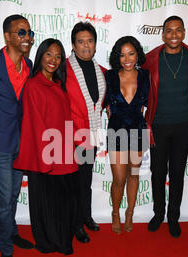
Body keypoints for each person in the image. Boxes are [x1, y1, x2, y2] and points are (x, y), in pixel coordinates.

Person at [13, 38, 79, 255]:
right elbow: (36, 124)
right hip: (46, 156)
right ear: (40, 56)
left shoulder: (59, 84)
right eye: (49, 54)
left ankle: (62, 240)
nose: (54, 60)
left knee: (64, 201)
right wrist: (47, 159)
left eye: (58, 56)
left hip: (63, 152)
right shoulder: (33, 85)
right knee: (47, 203)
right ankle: (49, 242)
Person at [143, 16, 188, 238]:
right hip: (158, 125)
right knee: (158, 173)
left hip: (185, 125)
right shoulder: (151, 60)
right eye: (169, 30)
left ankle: (173, 217)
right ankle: (158, 214)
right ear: (163, 34)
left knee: (177, 174)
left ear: (184, 33)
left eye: (178, 30)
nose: (173, 35)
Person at [0, 14, 34, 257]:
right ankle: (6, 252)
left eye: (29, 33)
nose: (27, 37)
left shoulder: (28, 64)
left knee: (14, 194)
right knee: (4, 200)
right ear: (7, 36)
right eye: (21, 32)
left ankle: (12, 232)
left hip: (21, 142)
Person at [103, 36, 149, 234]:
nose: (127, 59)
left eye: (131, 53)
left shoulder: (146, 76)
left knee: (134, 175)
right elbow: (100, 98)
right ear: (117, 57)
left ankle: (130, 213)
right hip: (116, 131)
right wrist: (107, 106)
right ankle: (115, 212)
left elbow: (152, 102)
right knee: (119, 178)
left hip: (138, 130)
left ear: (137, 54)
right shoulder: (110, 76)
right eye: (122, 55)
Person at [66, 22, 106, 243]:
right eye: (81, 41)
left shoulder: (100, 71)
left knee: (85, 181)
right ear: (73, 45)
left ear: (95, 44)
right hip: (70, 136)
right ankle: (75, 224)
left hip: (90, 135)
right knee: (73, 184)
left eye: (90, 41)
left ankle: (86, 216)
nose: (86, 45)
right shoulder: (64, 68)